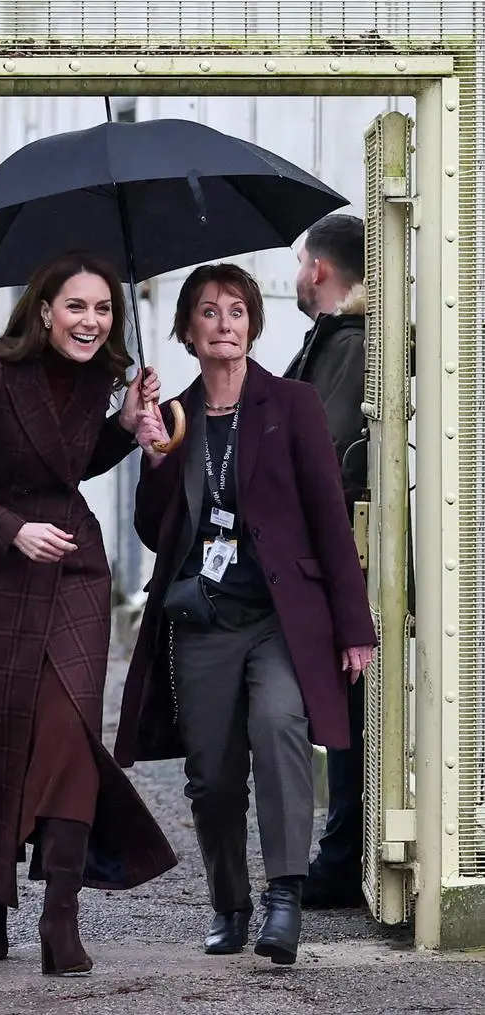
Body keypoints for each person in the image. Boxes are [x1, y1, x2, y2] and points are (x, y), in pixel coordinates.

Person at [0, 251, 176, 976]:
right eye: (77, 306)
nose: (91, 321)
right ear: (43, 310)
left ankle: (61, 914)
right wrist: (9, 528)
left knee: (68, 729)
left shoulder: (99, 378)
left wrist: (124, 424)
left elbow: (69, 461)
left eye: (102, 309)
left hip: (74, 565)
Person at [114, 263, 376, 966]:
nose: (224, 322)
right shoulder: (177, 415)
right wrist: (155, 454)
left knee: (280, 725)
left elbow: (328, 515)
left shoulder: (290, 404)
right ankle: (229, 901)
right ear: (188, 332)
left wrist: (355, 627)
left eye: (236, 310)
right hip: (204, 618)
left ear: (252, 325)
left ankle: (284, 897)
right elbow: (151, 532)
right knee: (214, 771)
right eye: (208, 312)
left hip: (280, 619)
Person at [286, 214, 369, 909]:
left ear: (317, 269)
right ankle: (345, 852)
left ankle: (343, 857)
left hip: (347, 560)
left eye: (298, 262)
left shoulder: (346, 343)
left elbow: (324, 453)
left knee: (352, 709)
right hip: (342, 557)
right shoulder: (339, 341)